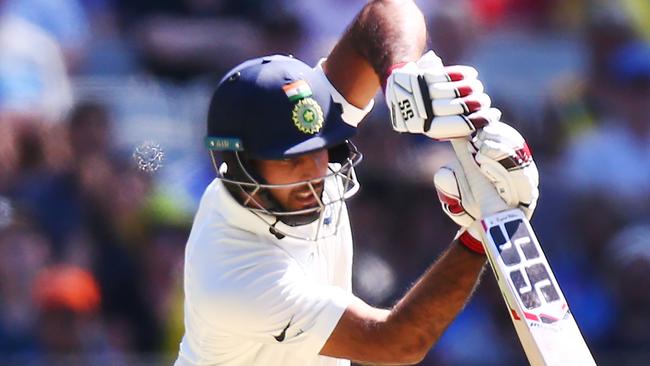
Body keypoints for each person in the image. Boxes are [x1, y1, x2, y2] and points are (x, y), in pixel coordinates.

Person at [174, 1, 539, 365]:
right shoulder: (235, 271)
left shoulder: (300, 119)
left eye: (318, 148)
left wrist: (400, 74)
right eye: (290, 160)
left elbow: (387, 11)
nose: (314, 171)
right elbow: (395, 342)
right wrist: (479, 234)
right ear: (238, 165)